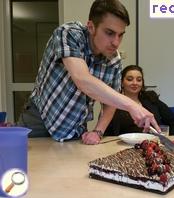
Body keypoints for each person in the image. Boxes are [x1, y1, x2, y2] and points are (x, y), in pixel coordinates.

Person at [18, 0, 160, 144]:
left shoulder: (114, 60)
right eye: (109, 33)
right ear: (91, 27)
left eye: (120, 35)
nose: (116, 43)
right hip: (38, 120)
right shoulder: (68, 34)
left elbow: (110, 104)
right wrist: (132, 105)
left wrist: (98, 131)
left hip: (75, 129)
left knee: (70, 166)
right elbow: (82, 79)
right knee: (28, 165)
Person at [104, 65, 174, 136]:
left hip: (151, 144)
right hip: (123, 146)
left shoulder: (151, 98)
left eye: (139, 80)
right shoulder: (114, 102)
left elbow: (173, 121)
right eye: (130, 79)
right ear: (122, 82)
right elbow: (106, 131)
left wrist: (171, 140)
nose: (135, 83)